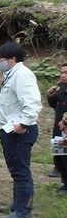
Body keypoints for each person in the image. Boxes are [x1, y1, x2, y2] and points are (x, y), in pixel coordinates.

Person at [0, 41, 42, 218]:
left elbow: (32, 102)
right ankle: (16, 204)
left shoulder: (22, 75)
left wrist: (22, 124)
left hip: (20, 130)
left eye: (1, 59)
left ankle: (23, 212)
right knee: (15, 170)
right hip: (9, 128)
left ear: (12, 58)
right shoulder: (11, 75)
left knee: (21, 171)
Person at [47, 63, 67, 192]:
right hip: (59, 127)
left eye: (66, 73)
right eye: (62, 72)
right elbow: (54, 105)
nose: (63, 75)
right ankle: (63, 179)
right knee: (60, 154)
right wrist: (50, 95)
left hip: (65, 128)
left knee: (66, 156)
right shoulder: (61, 88)